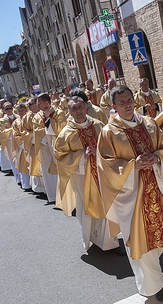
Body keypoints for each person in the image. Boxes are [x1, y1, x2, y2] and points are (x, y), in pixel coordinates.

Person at [97, 85, 163, 301]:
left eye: (129, 100)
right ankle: (154, 285)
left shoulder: (149, 123)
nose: (127, 105)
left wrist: (157, 157)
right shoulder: (109, 132)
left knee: (156, 235)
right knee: (139, 240)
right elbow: (106, 165)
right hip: (130, 195)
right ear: (113, 106)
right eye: (121, 102)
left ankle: (155, 272)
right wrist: (132, 166)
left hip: (155, 188)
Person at [54, 95, 120, 252]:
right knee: (86, 207)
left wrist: (102, 152)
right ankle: (91, 238)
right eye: (74, 108)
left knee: (107, 204)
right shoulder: (66, 134)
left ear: (86, 107)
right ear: (69, 111)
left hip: (101, 173)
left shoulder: (98, 125)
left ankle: (111, 242)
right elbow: (60, 157)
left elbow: (111, 145)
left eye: (81, 107)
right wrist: (81, 156)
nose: (78, 111)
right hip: (82, 176)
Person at [35, 93, 67, 204]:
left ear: (46, 103)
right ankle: (54, 196)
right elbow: (36, 132)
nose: (37, 104)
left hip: (58, 147)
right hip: (45, 148)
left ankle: (65, 197)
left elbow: (62, 128)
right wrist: (46, 134)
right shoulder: (37, 116)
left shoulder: (59, 113)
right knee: (49, 173)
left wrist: (49, 119)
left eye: (39, 102)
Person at [22, 98, 45, 193]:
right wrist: (34, 135)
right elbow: (24, 132)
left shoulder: (42, 113)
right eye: (28, 104)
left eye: (31, 103)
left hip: (44, 143)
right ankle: (39, 188)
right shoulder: (26, 118)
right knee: (36, 165)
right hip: (33, 144)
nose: (29, 106)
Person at [12, 103, 31, 190]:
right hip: (23, 147)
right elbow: (15, 135)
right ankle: (26, 184)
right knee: (24, 165)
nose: (21, 112)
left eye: (22, 110)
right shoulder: (16, 122)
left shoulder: (30, 118)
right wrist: (23, 143)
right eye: (19, 111)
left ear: (26, 110)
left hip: (32, 144)